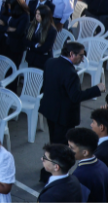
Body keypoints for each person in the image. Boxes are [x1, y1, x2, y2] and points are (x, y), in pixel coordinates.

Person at [39, 41, 105, 175]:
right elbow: (75, 96)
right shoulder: (70, 72)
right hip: (63, 115)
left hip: (50, 110)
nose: (83, 58)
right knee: (62, 147)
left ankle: (48, 168)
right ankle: (52, 172)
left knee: (54, 141)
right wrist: (96, 89)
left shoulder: (50, 62)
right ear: (71, 54)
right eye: (81, 55)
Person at [67, 127, 108, 203]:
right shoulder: (102, 165)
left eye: (71, 148)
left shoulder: (80, 175)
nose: (68, 149)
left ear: (85, 152)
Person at [25, 5, 58, 70]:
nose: (37, 16)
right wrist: (36, 45)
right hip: (31, 58)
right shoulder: (31, 25)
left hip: (42, 60)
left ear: (45, 15)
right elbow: (25, 41)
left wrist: (31, 46)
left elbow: (45, 48)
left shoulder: (52, 30)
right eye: (36, 13)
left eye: (39, 14)